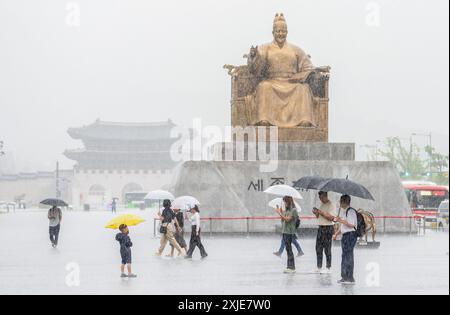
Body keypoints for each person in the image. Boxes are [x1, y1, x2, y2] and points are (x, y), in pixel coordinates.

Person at [333, 195, 358, 285]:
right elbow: (344, 226)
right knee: (345, 256)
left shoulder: (350, 211)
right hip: (346, 235)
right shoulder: (345, 212)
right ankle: (345, 276)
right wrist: (336, 233)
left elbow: (351, 225)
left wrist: (340, 220)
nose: (339, 203)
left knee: (348, 256)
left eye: (340, 201)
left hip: (350, 236)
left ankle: (349, 277)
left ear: (344, 202)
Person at [312, 191, 337, 274]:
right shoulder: (322, 205)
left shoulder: (331, 205)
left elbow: (331, 218)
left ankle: (328, 267)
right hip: (320, 227)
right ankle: (319, 266)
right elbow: (318, 216)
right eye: (319, 198)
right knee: (318, 248)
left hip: (328, 228)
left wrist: (321, 212)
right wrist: (316, 213)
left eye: (322, 197)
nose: (321, 199)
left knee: (327, 248)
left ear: (326, 196)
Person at [275, 196, 299, 274]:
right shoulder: (287, 210)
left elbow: (288, 220)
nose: (284, 203)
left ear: (288, 202)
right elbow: (283, 220)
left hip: (290, 232)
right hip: (285, 232)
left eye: (285, 201)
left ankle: (292, 267)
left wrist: (279, 213)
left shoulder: (293, 210)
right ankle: (289, 266)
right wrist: (281, 212)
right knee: (287, 249)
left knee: (289, 250)